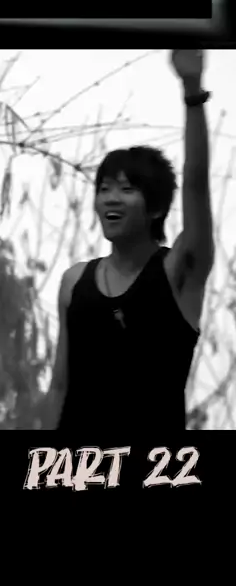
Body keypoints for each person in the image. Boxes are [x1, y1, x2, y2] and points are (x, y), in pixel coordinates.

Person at [50, 49, 214, 434]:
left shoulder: (179, 271)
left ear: (155, 207)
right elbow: (59, 386)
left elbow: (196, 183)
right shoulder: (74, 282)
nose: (110, 198)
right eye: (104, 188)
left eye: (126, 190)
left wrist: (192, 91)